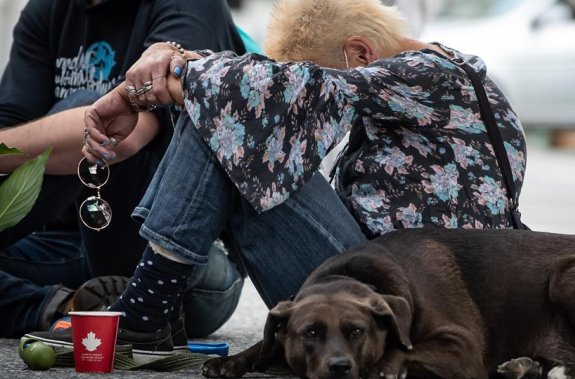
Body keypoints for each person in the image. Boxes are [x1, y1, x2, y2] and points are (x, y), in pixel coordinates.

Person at [29, 0, 527, 362]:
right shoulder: (444, 77)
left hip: (398, 303)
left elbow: (264, 91)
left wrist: (146, 83)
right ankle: (150, 304)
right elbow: (261, 82)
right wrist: (171, 57)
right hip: (379, 285)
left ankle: (147, 308)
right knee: (230, 112)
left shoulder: (429, 75)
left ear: (360, 53)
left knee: (229, 117)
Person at [0, 0, 247, 339]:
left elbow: (124, 136)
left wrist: (23, 145)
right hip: (69, 248)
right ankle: (61, 308)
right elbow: (7, 132)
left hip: (180, 263)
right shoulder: (46, 11)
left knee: (89, 114)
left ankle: (100, 312)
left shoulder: (189, 6)